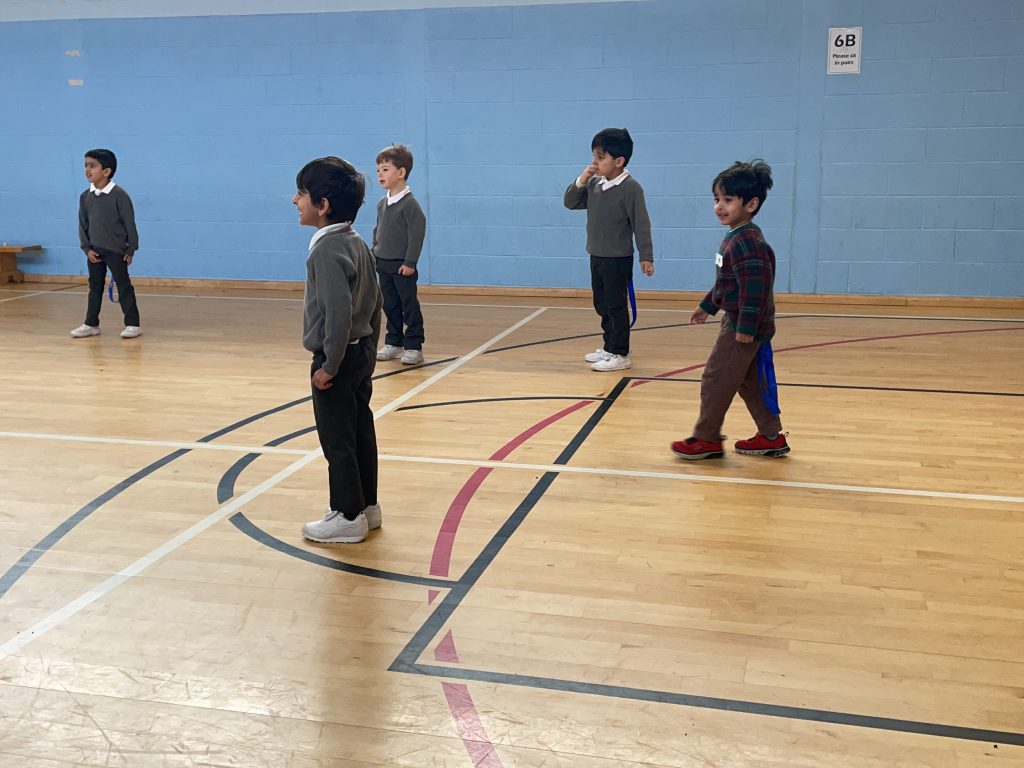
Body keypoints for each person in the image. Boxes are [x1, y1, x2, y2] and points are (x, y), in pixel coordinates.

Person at [670, 160, 790, 460]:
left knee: (715, 377)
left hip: (742, 326)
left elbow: (755, 290)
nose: (719, 206)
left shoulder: (747, 242)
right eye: (717, 199)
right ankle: (771, 436)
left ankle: (706, 438)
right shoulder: (737, 236)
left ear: (751, 204)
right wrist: (707, 306)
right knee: (747, 382)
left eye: (727, 200)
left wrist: (745, 329)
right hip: (741, 323)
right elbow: (728, 283)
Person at [293, 156, 384, 543]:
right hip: (359, 353)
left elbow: (337, 311)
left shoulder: (326, 251)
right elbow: (375, 302)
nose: (295, 201)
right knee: (360, 430)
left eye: (301, 194)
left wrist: (330, 363)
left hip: (339, 358)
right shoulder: (356, 242)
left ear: (323, 204)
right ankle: (366, 507)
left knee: (337, 439)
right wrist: (368, 351)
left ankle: (347, 515)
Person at [564, 127, 654, 372]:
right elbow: (570, 202)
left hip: (618, 258)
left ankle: (621, 353)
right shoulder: (594, 184)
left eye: (600, 157)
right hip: (597, 254)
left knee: (616, 305)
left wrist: (646, 255)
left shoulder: (631, 188)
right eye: (594, 156)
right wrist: (581, 180)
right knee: (601, 303)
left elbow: (641, 223)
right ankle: (609, 345)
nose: (595, 162)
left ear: (619, 161)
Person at [71, 148, 141, 338]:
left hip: (116, 251)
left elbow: (129, 223)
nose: (87, 170)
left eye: (92, 166)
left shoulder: (119, 195)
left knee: (123, 285)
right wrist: (87, 249)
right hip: (94, 252)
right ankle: (91, 324)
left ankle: (133, 323)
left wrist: (131, 248)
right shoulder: (85, 197)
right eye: (86, 165)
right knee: (95, 288)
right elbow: (83, 225)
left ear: (106, 171)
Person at [372, 144, 427, 365]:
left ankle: (414, 345)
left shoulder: (410, 205)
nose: (380, 175)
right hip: (382, 264)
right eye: (378, 171)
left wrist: (410, 262)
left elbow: (416, 235)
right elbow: (378, 231)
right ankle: (394, 343)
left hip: (402, 266)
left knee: (408, 305)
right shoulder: (381, 204)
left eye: (385, 170)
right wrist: (373, 253)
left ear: (401, 172)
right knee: (390, 304)